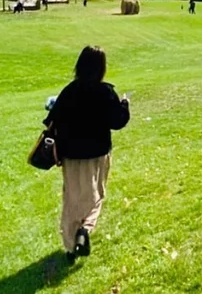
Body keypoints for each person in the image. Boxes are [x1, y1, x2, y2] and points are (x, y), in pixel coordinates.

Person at [43, 46, 131, 264]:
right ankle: (84, 230)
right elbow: (117, 121)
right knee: (96, 194)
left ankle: (71, 246)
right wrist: (125, 105)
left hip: (70, 154)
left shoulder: (69, 91)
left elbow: (51, 122)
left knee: (72, 198)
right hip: (98, 153)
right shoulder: (106, 92)